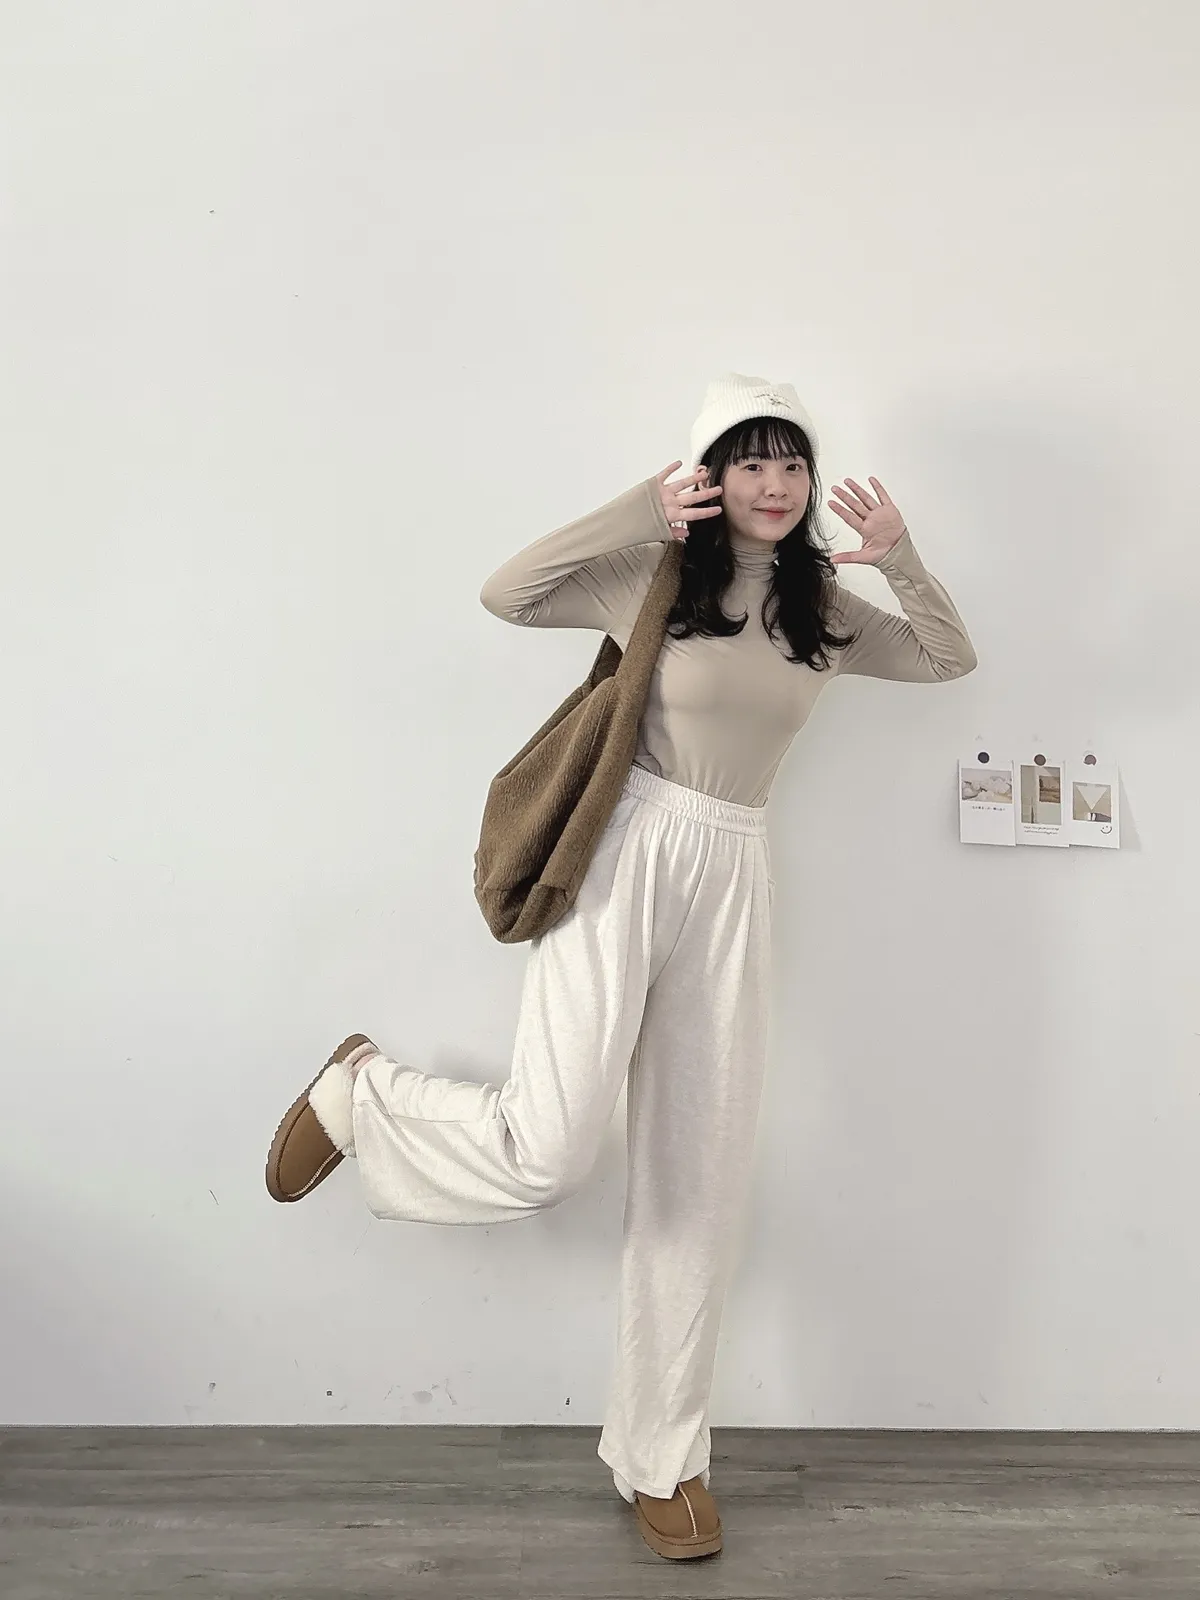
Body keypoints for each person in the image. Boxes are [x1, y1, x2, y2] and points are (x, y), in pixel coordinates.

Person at [264, 373, 977, 1562]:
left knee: (699, 1177)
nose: (774, 484)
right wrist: (642, 510)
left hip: (735, 868)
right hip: (626, 848)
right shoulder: (650, 576)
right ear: (709, 475)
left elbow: (949, 657)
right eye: (748, 462)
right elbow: (507, 591)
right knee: (547, 1150)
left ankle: (662, 1455)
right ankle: (365, 1096)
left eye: (791, 463)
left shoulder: (823, 608)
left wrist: (899, 557)